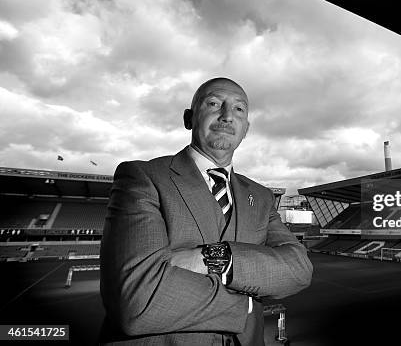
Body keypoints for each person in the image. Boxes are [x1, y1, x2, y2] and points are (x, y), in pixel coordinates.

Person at [99, 77, 313, 345]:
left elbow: (299, 269)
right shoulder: (142, 177)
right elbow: (137, 301)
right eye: (213, 103)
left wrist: (215, 259)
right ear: (189, 118)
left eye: (238, 109)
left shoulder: (261, 196)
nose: (226, 116)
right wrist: (246, 304)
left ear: (246, 128)